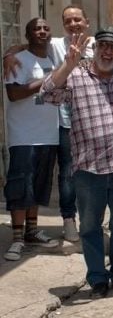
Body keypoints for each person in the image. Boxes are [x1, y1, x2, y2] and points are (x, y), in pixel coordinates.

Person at [41, 27, 113, 299]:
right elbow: (46, 94)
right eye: (103, 46)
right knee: (89, 227)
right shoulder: (75, 75)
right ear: (95, 48)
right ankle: (97, 278)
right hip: (88, 170)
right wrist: (68, 64)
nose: (107, 52)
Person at [2, 5, 94, 243]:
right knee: (62, 176)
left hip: (86, 123)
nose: (73, 24)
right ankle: (64, 222)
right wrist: (8, 54)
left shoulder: (98, 45)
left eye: (77, 19)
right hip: (56, 124)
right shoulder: (54, 46)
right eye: (68, 20)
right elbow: (29, 48)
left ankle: (85, 222)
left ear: (87, 22)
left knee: (78, 176)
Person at [3, 18, 60, 261]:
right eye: (37, 28)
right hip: (23, 136)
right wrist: (46, 82)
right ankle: (16, 239)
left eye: (46, 28)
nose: (42, 31)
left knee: (38, 185)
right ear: (28, 34)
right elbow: (14, 93)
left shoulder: (52, 60)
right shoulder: (18, 60)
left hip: (49, 134)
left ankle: (32, 231)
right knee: (19, 186)